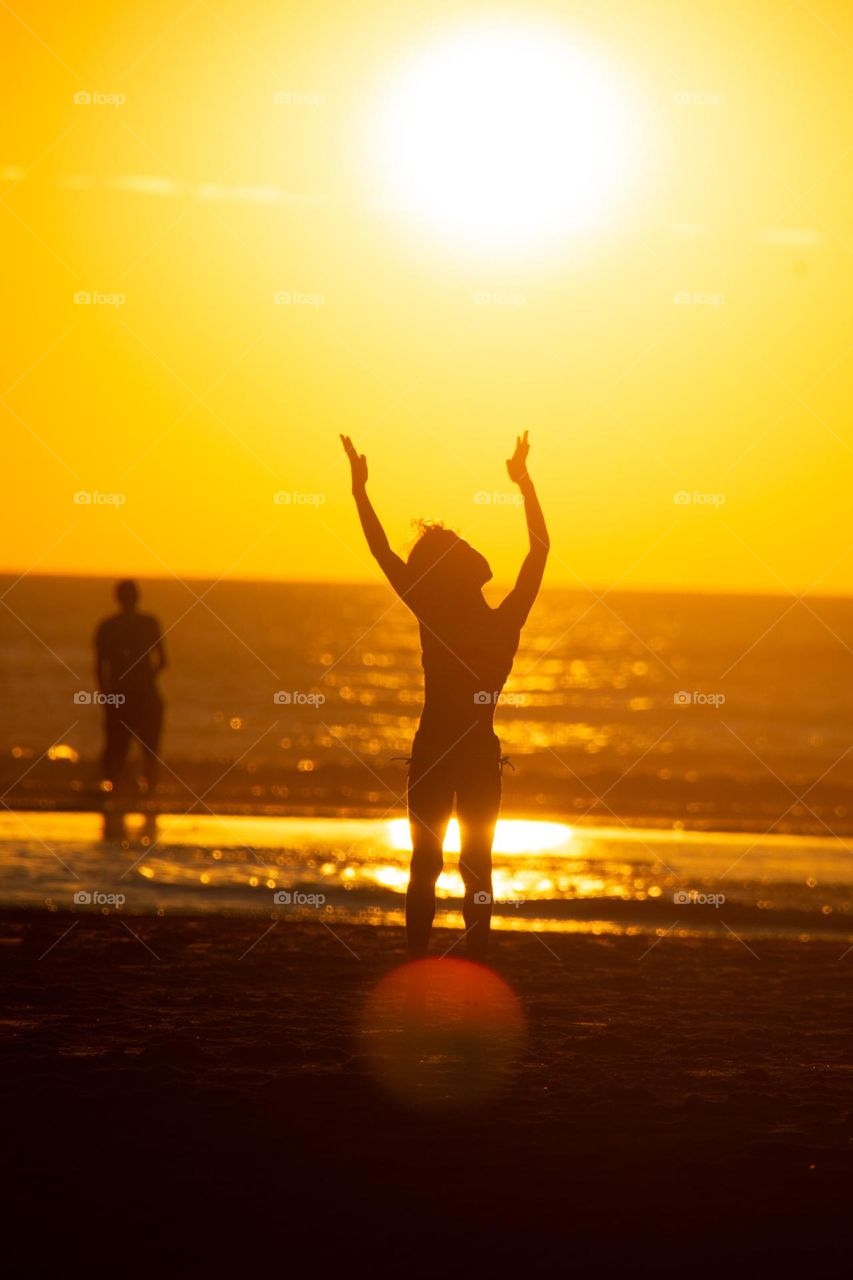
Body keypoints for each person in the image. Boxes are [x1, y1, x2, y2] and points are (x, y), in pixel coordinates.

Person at [342, 430, 548, 961]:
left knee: (456, 863)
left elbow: (540, 552)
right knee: (439, 863)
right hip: (459, 751)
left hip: (450, 750)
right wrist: (358, 491)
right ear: (455, 572)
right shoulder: (478, 619)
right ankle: (429, 961)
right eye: (459, 547)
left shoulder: (453, 616)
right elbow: (381, 549)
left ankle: (464, 958)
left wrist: (525, 481)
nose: (470, 548)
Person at [94, 579, 167, 797]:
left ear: (117, 598)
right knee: (149, 749)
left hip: (120, 695)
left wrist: (106, 695)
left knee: (117, 747)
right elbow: (163, 661)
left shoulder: (107, 626)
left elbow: (99, 668)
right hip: (146, 694)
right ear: (138, 597)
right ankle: (149, 794)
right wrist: (145, 678)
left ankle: (116, 793)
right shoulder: (149, 623)